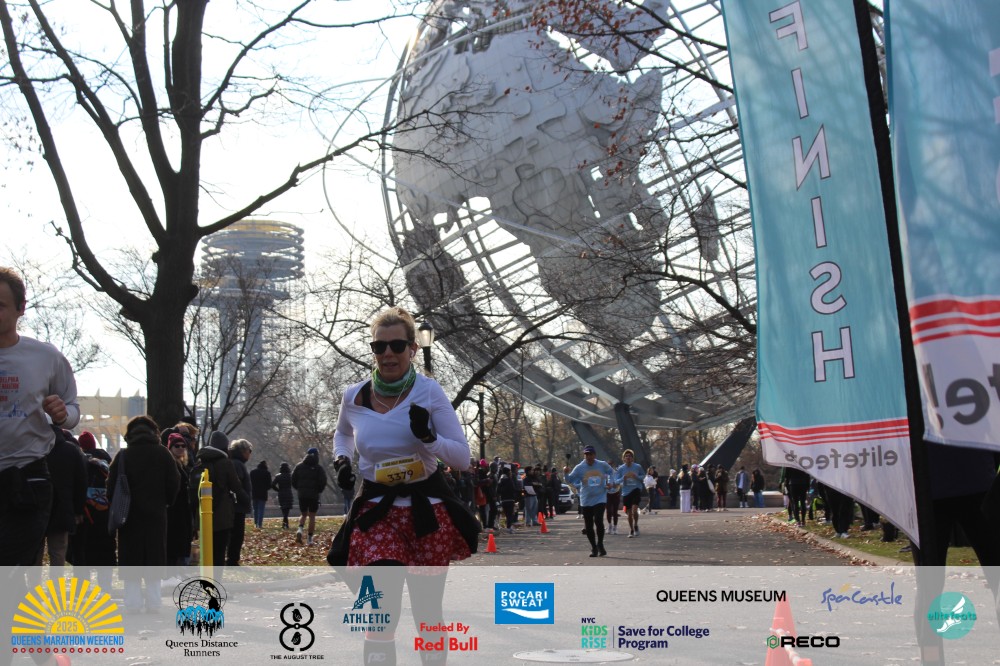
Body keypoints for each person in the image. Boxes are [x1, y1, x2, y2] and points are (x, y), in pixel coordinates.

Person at [326, 306, 479, 666]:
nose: (388, 354)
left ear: (412, 348)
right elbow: (343, 433)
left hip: (426, 513)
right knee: (380, 609)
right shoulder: (354, 396)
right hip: (378, 513)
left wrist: (428, 438)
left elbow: (462, 458)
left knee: (428, 613)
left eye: (397, 345)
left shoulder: (429, 392)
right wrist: (342, 459)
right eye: (379, 347)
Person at [0, 267, 80, 568]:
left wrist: (62, 414)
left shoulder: (45, 357)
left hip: (27, 477)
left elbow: (72, 409)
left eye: (0, 305)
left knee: (12, 566)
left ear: (21, 308)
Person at [107, 415, 180, 613]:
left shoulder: (123, 456)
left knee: (131, 560)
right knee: (154, 558)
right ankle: (154, 602)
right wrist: (166, 502)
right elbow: (174, 482)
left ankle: (132, 603)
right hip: (156, 515)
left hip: (129, 516)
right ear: (154, 432)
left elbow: (111, 487)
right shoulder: (163, 454)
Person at [191, 430, 247, 571]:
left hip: (203, 515)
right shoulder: (226, 463)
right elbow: (236, 486)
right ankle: (216, 581)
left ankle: (206, 578)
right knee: (219, 551)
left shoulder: (200, 461)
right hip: (222, 515)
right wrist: (246, 500)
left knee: (206, 551)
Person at [566, 445, 614, 556]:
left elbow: (611, 472)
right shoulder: (579, 467)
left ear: (594, 455)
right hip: (586, 499)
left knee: (598, 520)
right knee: (588, 525)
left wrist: (610, 482)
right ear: (584, 455)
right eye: (586, 454)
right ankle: (594, 548)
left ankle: (600, 544)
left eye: (590, 454)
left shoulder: (602, 464)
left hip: (600, 497)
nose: (588, 456)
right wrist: (566, 473)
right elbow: (569, 480)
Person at [165, 433, 192, 568]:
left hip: (182, 509)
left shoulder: (182, 465)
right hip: (174, 510)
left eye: (183, 446)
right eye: (177, 446)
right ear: (170, 448)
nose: (181, 448)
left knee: (179, 543)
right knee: (174, 544)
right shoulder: (170, 465)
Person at [292, 447, 328, 545]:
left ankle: (300, 529)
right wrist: (319, 490)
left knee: (303, 514)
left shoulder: (299, 466)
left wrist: (299, 488)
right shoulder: (318, 468)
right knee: (312, 516)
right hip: (313, 495)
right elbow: (323, 481)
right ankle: (309, 539)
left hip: (302, 494)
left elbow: (293, 479)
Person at [226, 438, 253, 565]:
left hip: (236, 505)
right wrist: (246, 498)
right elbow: (237, 486)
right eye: (249, 450)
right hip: (237, 506)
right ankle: (232, 559)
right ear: (243, 451)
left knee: (234, 534)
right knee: (237, 534)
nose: (250, 453)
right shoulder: (237, 464)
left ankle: (232, 558)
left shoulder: (234, 463)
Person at [615, 450, 645, 537]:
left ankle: (636, 525)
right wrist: (622, 478)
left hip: (636, 489)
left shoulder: (638, 467)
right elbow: (616, 481)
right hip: (626, 492)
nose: (628, 457)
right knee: (629, 513)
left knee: (634, 510)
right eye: (626, 456)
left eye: (630, 456)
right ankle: (631, 530)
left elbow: (643, 476)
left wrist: (637, 477)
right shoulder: (621, 468)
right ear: (624, 458)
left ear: (632, 458)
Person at [271, 462, 295, 529]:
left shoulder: (278, 476)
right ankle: (285, 522)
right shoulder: (290, 476)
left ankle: (285, 523)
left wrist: (278, 490)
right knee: (287, 508)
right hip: (288, 492)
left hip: (281, 493)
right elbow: (294, 483)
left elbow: (272, 485)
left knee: (283, 508)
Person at [250, 459, 272, 529]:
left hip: (254, 493)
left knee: (255, 509)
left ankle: (255, 523)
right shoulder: (267, 473)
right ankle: (259, 524)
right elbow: (269, 485)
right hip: (263, 493)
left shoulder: (253, 472)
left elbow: (250, 483)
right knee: (261, 509)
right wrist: (265, 488)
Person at [605, 460, 621, 535]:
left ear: (613, 466)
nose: (609, 467)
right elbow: (601, 482)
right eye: (608, 466)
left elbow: (621, 482)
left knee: (615, 511)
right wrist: (606, 485)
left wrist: (615, 485)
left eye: (610, 465)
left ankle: (615, 527)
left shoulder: (616, 473)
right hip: (607, 494)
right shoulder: (604, 474)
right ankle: (609, 526)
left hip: (616, 493)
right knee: (608, 511)